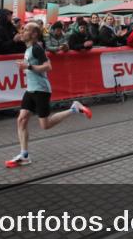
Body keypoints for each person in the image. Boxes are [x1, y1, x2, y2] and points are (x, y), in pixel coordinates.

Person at [6, 22, 92, 168]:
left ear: (34, 34)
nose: (22, 31)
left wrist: (28, 67)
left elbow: (48, 67)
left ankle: (74, 108)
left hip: (41, 90)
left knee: (45, 125)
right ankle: (24, 155)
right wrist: (26, 66)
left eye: (26, 30)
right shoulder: (28, 49)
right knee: (21, 119)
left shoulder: (36, 48)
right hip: (31, 90)